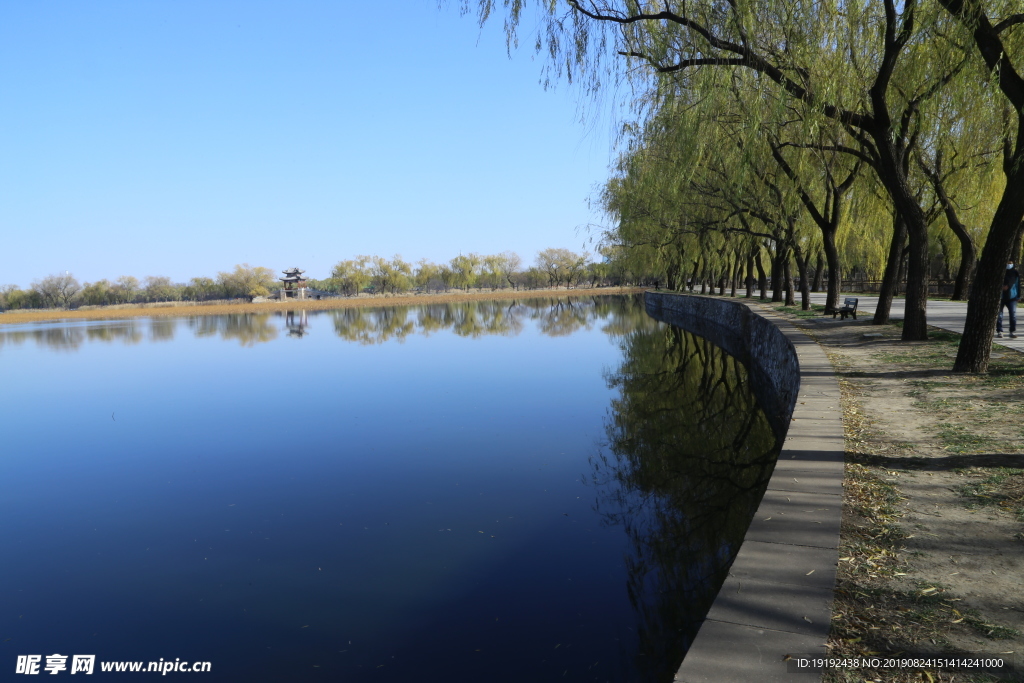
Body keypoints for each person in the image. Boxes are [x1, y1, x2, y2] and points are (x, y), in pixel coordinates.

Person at [997, 261, 1020, 339]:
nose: (1008, 265)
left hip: (1012, 297)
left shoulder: (1015, 273)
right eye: (1007, 263)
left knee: (1013, 315)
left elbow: (1017, 285)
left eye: (1010, 263)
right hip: (1000, 297)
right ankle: (999, 331)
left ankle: (1012, 331)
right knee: (999, 315)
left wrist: (1018, 296)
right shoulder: (1000, 271)